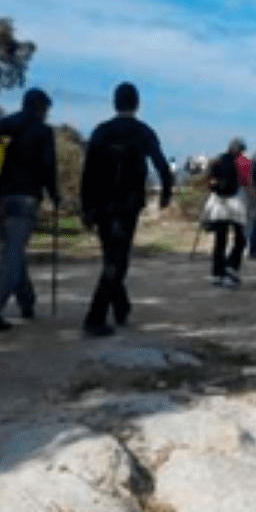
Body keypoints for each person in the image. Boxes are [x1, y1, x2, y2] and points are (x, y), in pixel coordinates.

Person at [79, 82, 174, 336]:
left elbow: (88, 172)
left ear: (114, 102)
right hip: (127, 204)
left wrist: (85, 206)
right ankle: (95, 317)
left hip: (100, 204)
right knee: (117, 261)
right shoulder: (143, 132)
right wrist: (165, 194)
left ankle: (121, 308)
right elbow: (162, 166)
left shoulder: (101, 131)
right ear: (137, 104)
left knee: (111, 257)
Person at [0, 88, 58, 332]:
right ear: (41, 107)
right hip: (26, 198)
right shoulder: (43, 131)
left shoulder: (1, 125)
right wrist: (55, 195)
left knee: (13, 252)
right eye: (46, 109)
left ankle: (27, 302)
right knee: (12, 256)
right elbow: (48, 167)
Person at [204, 137, 251, 288]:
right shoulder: (244, 162)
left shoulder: (217, 160)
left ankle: (217, 274)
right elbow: (247, 182)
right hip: (237, 203)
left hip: (219, 203)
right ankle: (231, 267)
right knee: (240, 238)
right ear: (242, 149)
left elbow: (208, 180)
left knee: (220, 240)